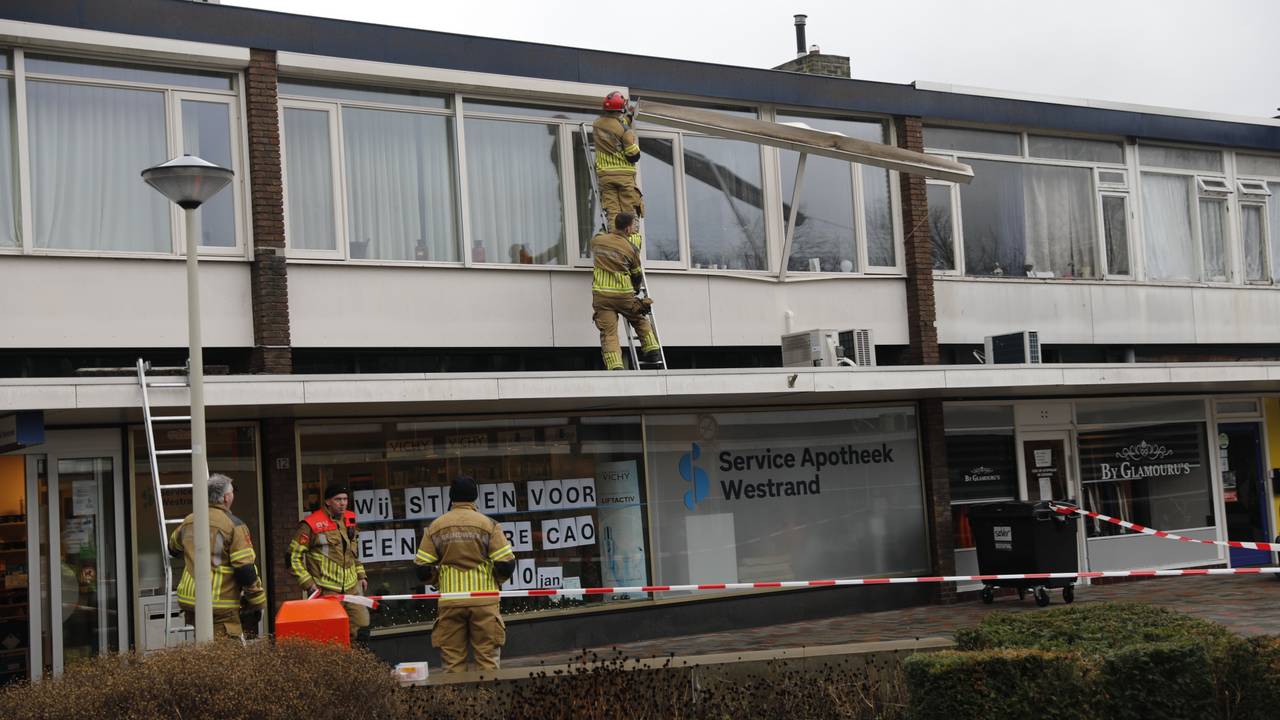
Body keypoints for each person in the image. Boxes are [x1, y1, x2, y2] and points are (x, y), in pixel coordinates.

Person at [414, 475, 515, 673]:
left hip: (450, 600)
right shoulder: (489, 524)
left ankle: (456, 703)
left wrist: (438, 579)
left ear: (451, 497)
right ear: (474, 497)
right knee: (488, 661)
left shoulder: (436, 526)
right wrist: (495, 579)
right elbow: (506, 565)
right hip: (484, 600)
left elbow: (422, 569)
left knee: (452, 663)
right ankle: (487, 701)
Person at [168, 473, 266, 639]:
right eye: (232, 492)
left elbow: (173, 548)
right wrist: (257, 601)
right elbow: (245, 569)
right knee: (225, 655)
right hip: (219, 602)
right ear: (227, 498)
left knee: (204, 646)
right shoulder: (234, 526)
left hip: (190, 599)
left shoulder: (189, 520)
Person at [288, 483, 370, 642]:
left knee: (362, 629)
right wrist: (309, 584)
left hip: (353, 588)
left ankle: (356, 665)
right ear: (327, 502)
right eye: (338, 499)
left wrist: (361, 574)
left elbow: (353, 551)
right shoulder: (311, 524)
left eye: (345, 499)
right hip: (327, 590)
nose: (343, 503)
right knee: (332, 636)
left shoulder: (350, 519)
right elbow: (292, 557)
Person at [590, 212, 663, 370]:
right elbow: (637, 274)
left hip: (601, 296)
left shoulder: (597, 241)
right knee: (638, 318)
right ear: (629, 228)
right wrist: (636, 290)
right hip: (623, 295)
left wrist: (606, 230)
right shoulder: (630, 248)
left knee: (609, 333)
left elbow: (599, 235)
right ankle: (652, 351)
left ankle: (615, 366)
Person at [592, 91, 644, 233]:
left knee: (613, 212)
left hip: (605, 177)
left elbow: (613, 125)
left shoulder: (596, 125)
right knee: (629, 213)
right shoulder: (625, 130)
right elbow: (633, 156)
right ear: (621, 109)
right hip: (624, 177)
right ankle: (630, 244)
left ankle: (615, 240)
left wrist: (627, 119)